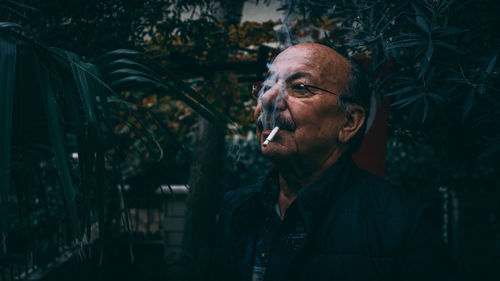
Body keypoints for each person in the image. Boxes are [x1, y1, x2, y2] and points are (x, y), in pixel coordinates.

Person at [209, 43, 458, 281]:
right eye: (265, 87)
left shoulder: (405, 224)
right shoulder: (238, 207)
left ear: (349, 123)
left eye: (301, 87)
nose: (267, 100)